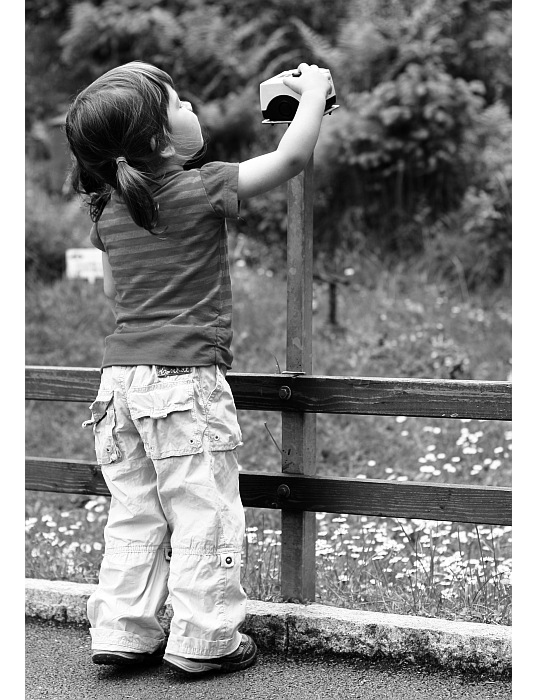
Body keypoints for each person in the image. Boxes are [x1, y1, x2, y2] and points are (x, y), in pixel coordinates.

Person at [66, 60, 330, 677]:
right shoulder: (203, 186)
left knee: (134, 511)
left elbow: (116, 295)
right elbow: (288, 160)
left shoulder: (109, 212)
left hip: (118, 384)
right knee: (201, 511)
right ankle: (205, 640)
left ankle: (123, 631)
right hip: (182, 380)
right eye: (180, 104)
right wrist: (314, 93)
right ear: (161, 140)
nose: (194, 109)